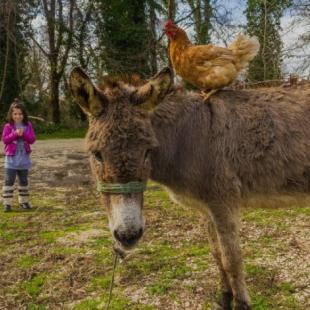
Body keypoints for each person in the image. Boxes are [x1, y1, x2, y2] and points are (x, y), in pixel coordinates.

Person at [2, 99, 36, 212]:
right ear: (11, 114)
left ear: (24, 114)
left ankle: (24, 202)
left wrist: (24, 134)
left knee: (23, 181)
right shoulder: (8, 126)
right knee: (9, 181)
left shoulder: (28, 125)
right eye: (15, 114)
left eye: (20, 114)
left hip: (24, 159)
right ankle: (7, 204)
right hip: (11, 159)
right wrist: (15, 134)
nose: (18, 116)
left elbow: (32, 140)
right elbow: (5, 140)